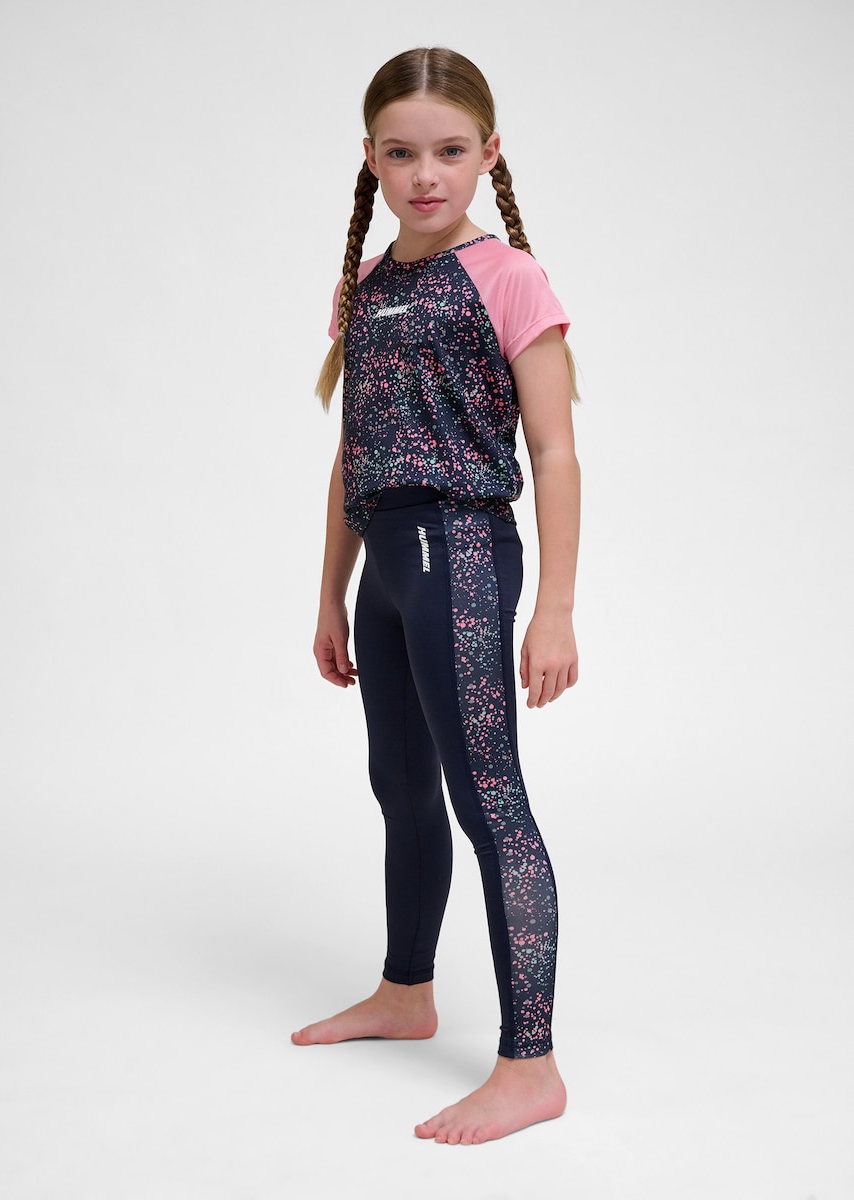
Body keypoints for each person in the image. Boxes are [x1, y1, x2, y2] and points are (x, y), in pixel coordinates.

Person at [292, 46, 580, 1146]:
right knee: (401, 789)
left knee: (488, 799)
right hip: (388, 566)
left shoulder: (508, 277)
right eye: (403, 153)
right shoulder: (365, 287)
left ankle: (530, 1064)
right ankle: (406, 992)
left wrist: (555, 608)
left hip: (462, 551)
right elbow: (353, 451)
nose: (426, 174)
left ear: (488, 154)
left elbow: (554, 451)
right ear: (371, 158)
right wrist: (332, 592)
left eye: (450, 151)